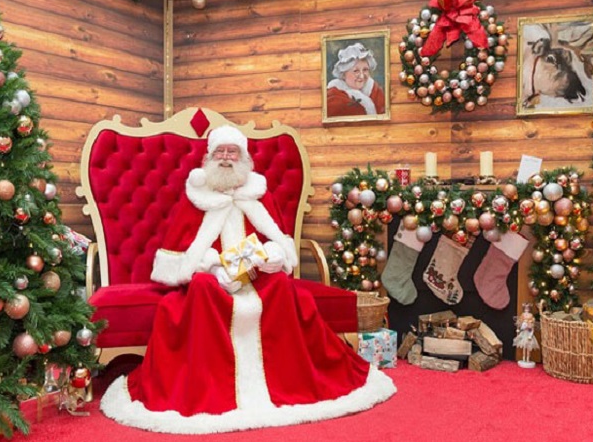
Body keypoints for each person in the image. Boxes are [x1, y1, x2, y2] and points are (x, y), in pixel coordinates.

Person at [101, 125, 396, 434]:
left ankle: (285, 380)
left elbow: (277, 239)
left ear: (243, 158)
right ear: (209, 157)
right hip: (212, 280)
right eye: (220, 152)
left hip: (257, 278)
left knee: (281, 285)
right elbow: (180, 253)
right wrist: (213, 268)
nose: (226, 158)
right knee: (200, 287)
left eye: (232, 152)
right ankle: (210, 384)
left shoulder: (259, 194)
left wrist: (272, 257)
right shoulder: (196, 196)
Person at [326, 42, 386, 117]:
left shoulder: (376, 91)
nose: (362, 76)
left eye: (365, 70)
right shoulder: (332, 97)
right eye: (356, 71)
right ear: (343, 74)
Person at [513, 303, 540, 368]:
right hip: (523, 334)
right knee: (524, 348)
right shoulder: (523, 323)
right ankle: (523, 358)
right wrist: (519, 329)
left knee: (528, 347)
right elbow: (520, 327)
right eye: (525, 308)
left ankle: (528, 358)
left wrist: (530, 335)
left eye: (527, 308)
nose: (526, 310)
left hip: (528, 335)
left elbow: (532, 330)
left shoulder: (530, 324)